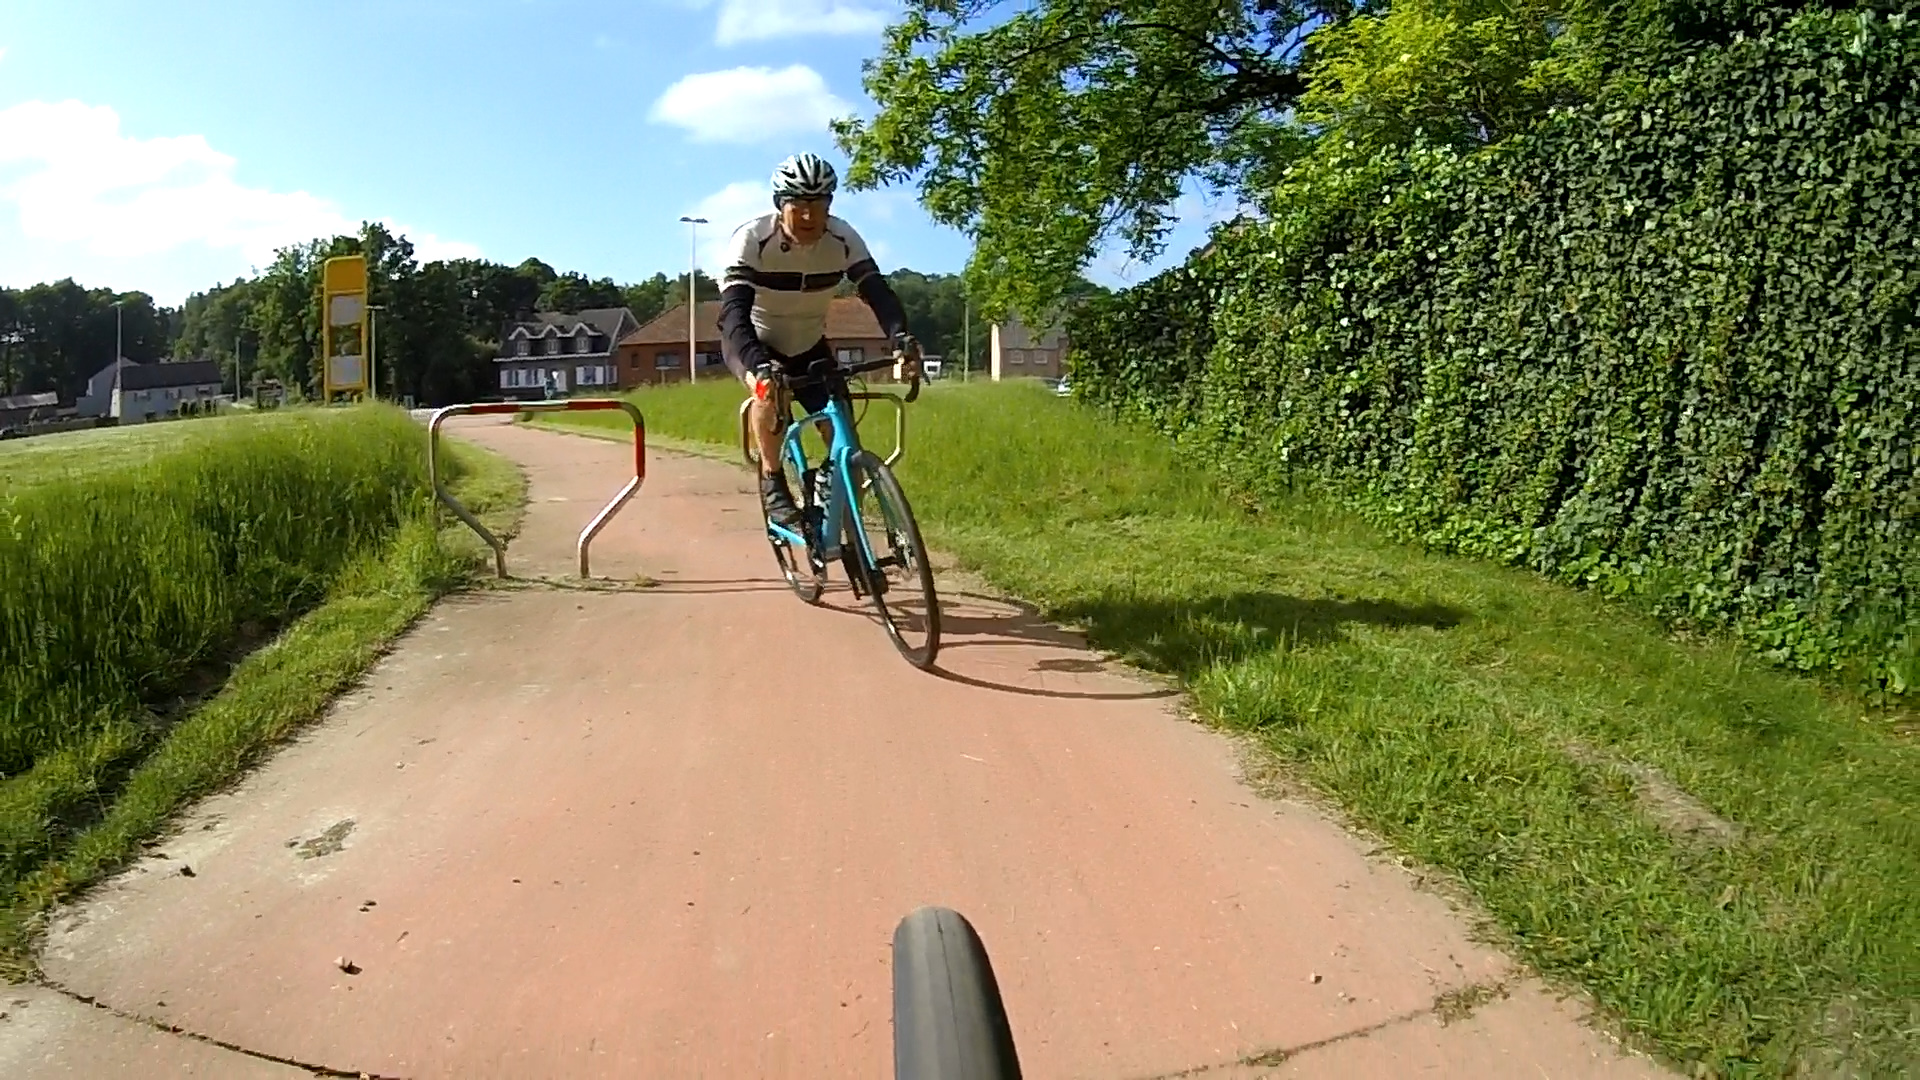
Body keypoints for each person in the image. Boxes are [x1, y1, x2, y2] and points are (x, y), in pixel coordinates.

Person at [719, 151, 920, 527]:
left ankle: (835, 502)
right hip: (754, 341)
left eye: (820, 205)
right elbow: (733, 317)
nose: (810, 217)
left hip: (809, 344)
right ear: (780, 205)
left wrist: (900, 338)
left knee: (841, 431)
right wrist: (759, 367)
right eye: (800, 206)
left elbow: (878, 292)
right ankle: (773, 480)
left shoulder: (843, 238)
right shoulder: (752, 239)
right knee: (767, 394)